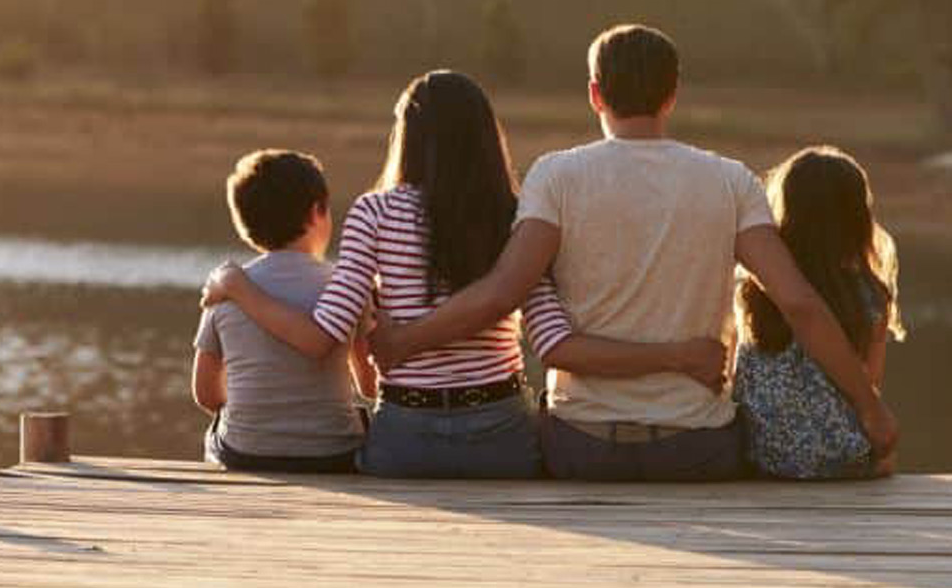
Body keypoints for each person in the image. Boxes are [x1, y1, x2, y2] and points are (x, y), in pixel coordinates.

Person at [369, 25, 898, 482]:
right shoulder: (730, 181)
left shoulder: (556, 176)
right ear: (672, 95)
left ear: (595, 94)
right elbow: (800, 304)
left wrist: (404, 340)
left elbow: (504, 291)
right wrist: (870, 410)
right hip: (697, 449)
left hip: (581, 446)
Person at [203, 70, 725, 479]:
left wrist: (237, 286)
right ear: (484, 135)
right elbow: (553, 339)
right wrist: (676, 357)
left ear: (407, 136)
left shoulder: (374, 213)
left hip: (404, 440)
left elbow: (323, 336)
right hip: (501, 437)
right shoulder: (516, 214)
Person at [192, 150, 373, 473]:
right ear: (318, 212)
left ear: (245, 224)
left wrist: (256, 419)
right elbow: (369, 385)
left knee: (218, 432)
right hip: (333, 452)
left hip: (245, 451)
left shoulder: (224, 289)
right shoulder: (346, 287)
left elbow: (205, 393)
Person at [735, 146, 905, 479]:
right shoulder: (869, 294)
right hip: (840, 456)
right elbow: (868, 383)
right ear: (858, 217)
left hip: (758, 452)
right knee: (886, 460)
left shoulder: (757, 288)